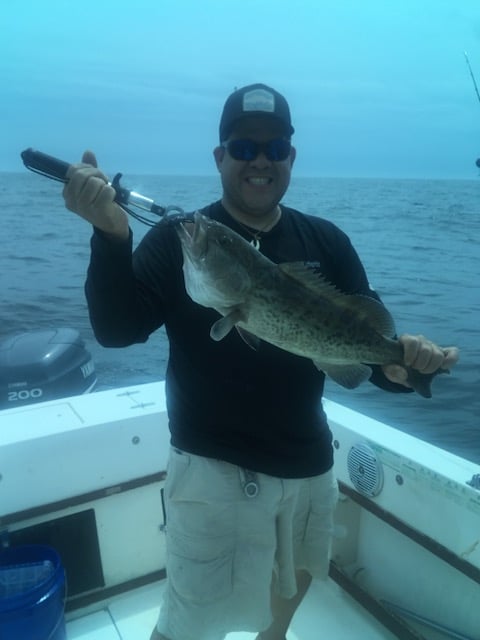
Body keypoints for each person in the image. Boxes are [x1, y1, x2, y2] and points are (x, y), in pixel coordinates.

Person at [62, 83, 459, 640]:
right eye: (244, 148)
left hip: (309, 468)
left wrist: (404, 366)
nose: (260, 161)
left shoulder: (327, 241)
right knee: (189, 626)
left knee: (286, 599)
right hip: (211, 475)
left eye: (274, 148)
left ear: (291, 158)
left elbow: (366, 358)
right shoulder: (184, 239)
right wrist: (111, 236)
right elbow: (117, 330)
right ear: (220, 157)